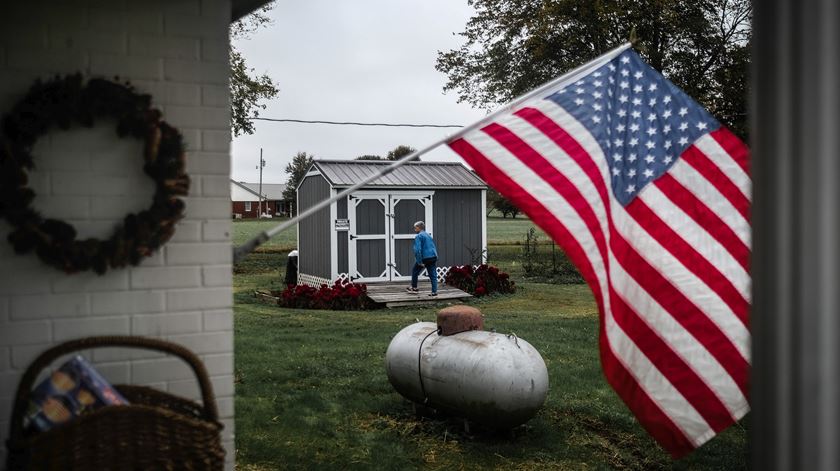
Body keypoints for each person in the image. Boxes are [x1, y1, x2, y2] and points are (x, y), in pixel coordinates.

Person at [406, 221, 438, 296]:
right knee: (433, 274)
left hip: (425, 258)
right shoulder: (428, 235)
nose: (414, 229)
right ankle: (434, 292)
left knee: (415, 271)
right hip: (433, 256)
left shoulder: (418, 236)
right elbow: (432, 246)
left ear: (418, 227)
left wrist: (419, 261)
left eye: (415, 227)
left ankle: (414, 288)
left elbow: (417, 250)